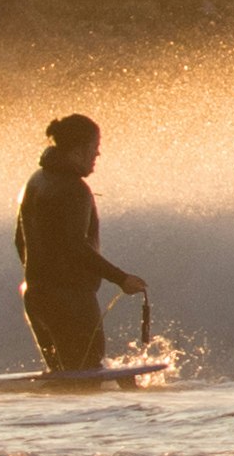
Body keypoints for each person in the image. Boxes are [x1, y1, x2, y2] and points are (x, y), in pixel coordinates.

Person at [12, 112, 148, 374]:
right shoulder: (74, 190)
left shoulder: (35, 181)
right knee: (85, 378)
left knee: (64, 381)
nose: (97, 156)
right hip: (70, 303)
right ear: (77, 150)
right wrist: (121, 279)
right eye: (94, 149)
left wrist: (41, 279)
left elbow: (20, 240)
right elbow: (75, 247)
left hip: (36, 296)